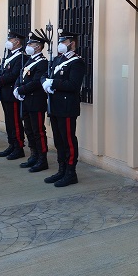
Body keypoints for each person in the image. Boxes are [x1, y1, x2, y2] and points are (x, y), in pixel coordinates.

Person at [41, 29, 86, 187]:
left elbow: (73, 85)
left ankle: (70, 172)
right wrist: (45, 83)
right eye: (59, 42)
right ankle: (61, 169)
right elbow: (45, 75)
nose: (60, 45)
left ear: (72, 44)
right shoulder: (57, 59)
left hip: (67, 107)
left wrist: (53, 83)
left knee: (68, 140)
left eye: (63, 42)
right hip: (54, 105)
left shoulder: (77, 62)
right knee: (59, 140)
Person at [15, 30, 49, 173]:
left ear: (39, 46)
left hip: (36, 101)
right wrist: (17, 87)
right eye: (28, 43)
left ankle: (42, 159)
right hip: (26, 101)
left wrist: (21, 90)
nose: (28, 46)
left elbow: (36, 82)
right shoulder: (29, 60)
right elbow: (21, 76)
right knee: (28, 129)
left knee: (38, 131)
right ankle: (33, 155)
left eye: (32, 43)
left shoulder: (42, 63)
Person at [0, 30, 26, 160]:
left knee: (15, 122)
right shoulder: (9, 55)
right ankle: (11, 144)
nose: (8, 42)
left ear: (17, 42)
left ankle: (18, 146)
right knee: (8, 121)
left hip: (12, 94)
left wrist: (0, 80)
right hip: (4, 93)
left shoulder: (21, 57)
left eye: (11, 40)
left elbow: (14, 74)